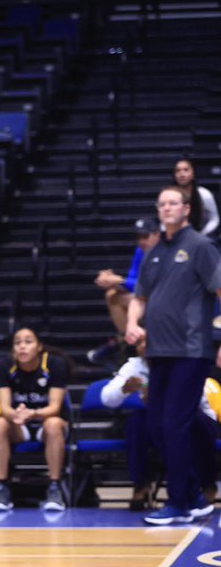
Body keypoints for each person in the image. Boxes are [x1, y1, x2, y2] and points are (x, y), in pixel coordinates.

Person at [125, 185, 221, 525]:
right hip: (158, 352)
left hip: (191, 351)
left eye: (173, 203)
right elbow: (139, 296)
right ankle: (194, 496)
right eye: (161, 203)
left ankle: (178, 502)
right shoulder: (154, 251)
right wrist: (132, 322)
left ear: (185, 209)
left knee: (174, 424)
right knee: (155, 424)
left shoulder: (200, 246)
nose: (166, 208)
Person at [101, 334, 218, 512]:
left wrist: (162, 399)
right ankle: (141, 484)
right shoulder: (133, 366)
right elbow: (106, 398)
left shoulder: (181, 363)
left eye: (149, 341)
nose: (144, 346)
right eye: (140, 342)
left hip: (195, 417)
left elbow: (197, 400)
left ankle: (207, 484)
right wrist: (124, 389)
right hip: (161, 423)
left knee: (191, 421)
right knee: (135, 422)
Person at [0, 327, 71, 512]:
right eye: (17, 343)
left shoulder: (54, 364)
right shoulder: (4, 365)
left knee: (53, 424)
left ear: (39, 347)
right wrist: (15, 415)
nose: (22, 347)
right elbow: (5, 407)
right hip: (18, 424)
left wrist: (33, 414)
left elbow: (55, 408)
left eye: (28, 342)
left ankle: (54, 488)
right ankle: (2, 488)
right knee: (0, 423)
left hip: (46, 422)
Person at [89, 218, 160, 364]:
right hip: (146, 297)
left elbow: (154, 285)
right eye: (138, 237)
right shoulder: (140, 252)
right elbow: (133, 281)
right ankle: (127, 342)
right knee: (112, 295)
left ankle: (124, 344)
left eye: (145, 237)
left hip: (164, 300)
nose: (141, 241)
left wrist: (120, 281)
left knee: (121, 297)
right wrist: (111, 281)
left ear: (157, 234)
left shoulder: (165, 252)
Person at [172, 158, 219, 236]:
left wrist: (202, 234)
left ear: (193, 174)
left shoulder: (204, 194)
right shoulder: (170, 195)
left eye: (186, 170)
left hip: (201, 235)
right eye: (178, 171)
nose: (182, 174)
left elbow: (214, 219)